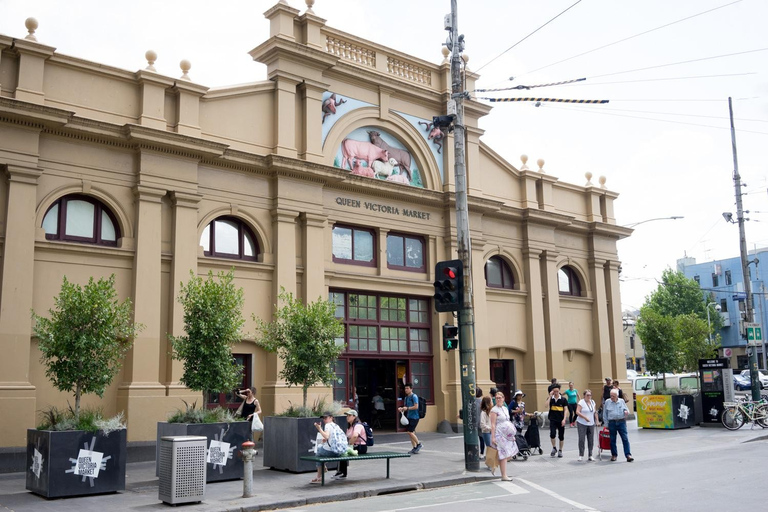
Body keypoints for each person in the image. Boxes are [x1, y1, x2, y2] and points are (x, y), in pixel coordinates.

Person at [310, 412, 348, 484]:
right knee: (320, 451)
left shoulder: (327, 425)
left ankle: (319, 475)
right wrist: (326, 439)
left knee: (318, 450)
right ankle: (321, 470)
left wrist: (319, 428)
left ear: (331, 417)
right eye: (323, 418)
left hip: (331, 451)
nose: (324, 420)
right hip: (339, 452)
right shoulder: (336, 426)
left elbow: (326, 436)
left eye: (326, 418)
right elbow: (331, 437)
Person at [490, 391, 517, 481]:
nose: (498, 399)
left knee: (509, 453)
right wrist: (493, 437)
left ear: (503, 399)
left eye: (499, 398)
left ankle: (497, 465)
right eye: (496, 398)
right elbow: (493, 424)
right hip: (499, 434)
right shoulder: (494, 410)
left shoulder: (505, 408)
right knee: (504, 454)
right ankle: (504, 475)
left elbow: (507, 420)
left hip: (507, 435)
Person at [333, 410, 367, 480]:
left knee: (343, 452)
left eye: (349, 415)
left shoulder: (358, 426)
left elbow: (355, 436)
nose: (347, 417)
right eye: (347, 416)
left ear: (354, 417)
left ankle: (342, 473)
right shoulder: (350, 427)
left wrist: (348, 445)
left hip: (360, 447)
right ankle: (340, 472)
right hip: (353, 447)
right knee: (341, 451)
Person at [604, 388, 634, 462]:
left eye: (613, 396)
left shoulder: (621, 401)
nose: (612, 397)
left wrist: (626, 411)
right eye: (611, 395)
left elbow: (626, 409)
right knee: (612, 440)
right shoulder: (607, 402)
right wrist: (606, 424)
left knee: (625, 439)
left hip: (621, 422)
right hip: (612, 422)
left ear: (617, 396)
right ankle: (614, 455)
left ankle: (628, 455)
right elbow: (605, 414)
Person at [575, 389, 599, 461]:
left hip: (591, 423)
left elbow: (595, 412)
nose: (589, 396)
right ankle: (581, 455)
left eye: (590, 395)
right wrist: (584, 417)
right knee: (582, 439)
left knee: (590, 439)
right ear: (584, 395)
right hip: (582, 423)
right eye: (587, 395)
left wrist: (597, 420)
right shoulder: (581, 402)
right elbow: (577, 412)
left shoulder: (592, 402)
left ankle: (590, 455)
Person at [398, 383, 422, 454]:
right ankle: (414, 448)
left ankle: (419, 444)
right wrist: (402, 408)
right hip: (409, 417)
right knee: (411, 433)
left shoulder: (414, 396)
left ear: (411, 389)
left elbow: (416, 407)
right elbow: (405, 407)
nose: (406, 390)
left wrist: (407, 408)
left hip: (415, 417)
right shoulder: (406, 398)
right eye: (405, 388)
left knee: (409, 432)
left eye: (407, 388)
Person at [547, 385, 568, 458]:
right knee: (552, 434)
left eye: (557, 391)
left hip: (561, 419)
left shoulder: (563, 399)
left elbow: (565, 410)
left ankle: (560, 450)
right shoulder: (551, 399)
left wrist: (564, 419)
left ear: (559, 391)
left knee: (561, 436)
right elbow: (546, 405)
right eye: (554, 391)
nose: (556, 393)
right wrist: (550, 396)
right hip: (552, 419)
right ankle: (554, 448)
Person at [479, 395, 493, 461]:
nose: (492, 403)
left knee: (492, 446)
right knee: (490, 446)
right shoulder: (483, 413)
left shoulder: (492, 411)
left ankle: (490, 461)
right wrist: (490, 428)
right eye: (491, 401)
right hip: (486, 432)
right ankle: (489, 461)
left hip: (491, 431)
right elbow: (482, 424)